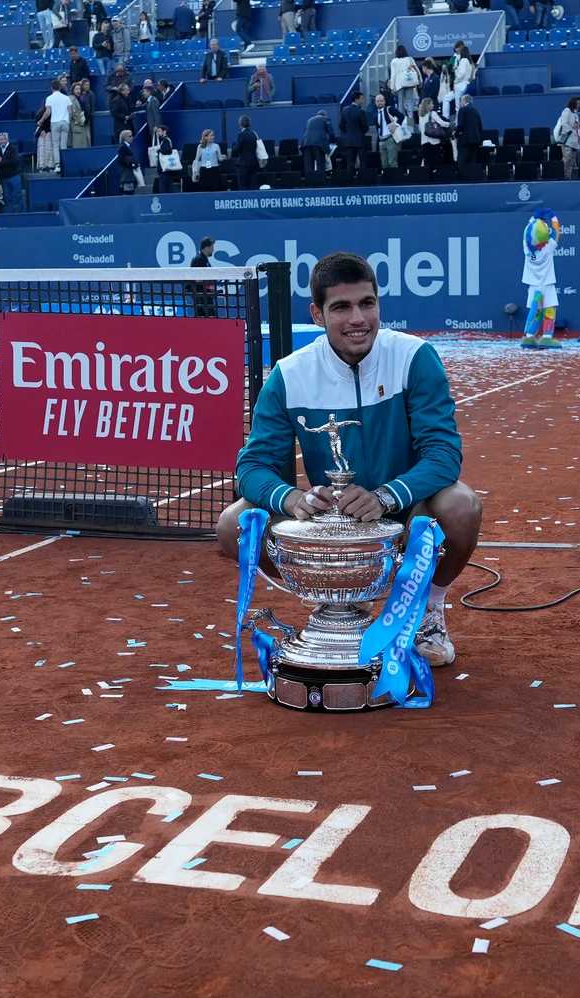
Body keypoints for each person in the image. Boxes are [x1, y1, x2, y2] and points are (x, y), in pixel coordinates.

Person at [218, 251, 478, 667]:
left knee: (460, 505)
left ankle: (427, 610)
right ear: (317, 315)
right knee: (234, 523)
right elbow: (251, 466)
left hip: (408, 510)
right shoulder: (289, 374)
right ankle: (332, 606)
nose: (358, 318)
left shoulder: (414, 357)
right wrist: (292, 500)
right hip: (333, 526)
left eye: (367, 303)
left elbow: (444, 454)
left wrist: (387, 497)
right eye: (341, 307)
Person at [519, 208, 561, 348]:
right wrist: (553, 218)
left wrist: (534, 217)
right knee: (549, 311)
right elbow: (556, 233)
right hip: (547, 284)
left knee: (535, 311)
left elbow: (527, 231)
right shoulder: (548, 249)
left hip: (533, 285)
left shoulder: (526, 248)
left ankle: (529, 337)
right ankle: (547, 337)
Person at [43, 80, 74, 173]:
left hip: (55, 123)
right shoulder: (66, 98)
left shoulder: (49, 98)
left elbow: (48, 112)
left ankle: (58, 165)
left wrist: (41, 121)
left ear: (51, 88)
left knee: (56, 145)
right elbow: (70, 111)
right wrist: (68, 120)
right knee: (63, 144)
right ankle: (65, 163)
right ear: (60, 87)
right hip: (65, 122)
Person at [552, 95, 580, 181]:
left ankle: (568, 178)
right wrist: (570, 132)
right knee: (566, 160)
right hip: (567, 141)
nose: (579, 105)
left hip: (574, 142)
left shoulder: (575, 113)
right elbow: (564, 123)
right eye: (578, 103)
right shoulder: (567, 111)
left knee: (571, 162)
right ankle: (562, 177)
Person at [374, 92, 405, 170]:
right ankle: (386, 181)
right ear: (375, 103)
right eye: (378, 101)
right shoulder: (376, 115)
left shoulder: (389, 109)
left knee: (392, 163)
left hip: (390, 138)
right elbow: (378, 129)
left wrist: (396, 125)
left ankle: (395, 180)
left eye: (381, 101)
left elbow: (401, 116)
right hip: (382, 141)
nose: (379, 103)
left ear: (384, 101)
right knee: (384, 164)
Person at [391, 44, 419, 116]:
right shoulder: (410, 59)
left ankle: (402, 119)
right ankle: (410, 118)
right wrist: (420, 80)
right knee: (410, 101)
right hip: (409, 82)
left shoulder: (394, 61)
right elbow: (416, 70)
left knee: (400, 101)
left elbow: (393, 75)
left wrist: (392, 87)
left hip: (399, 84)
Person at [302, 108, 332, 174]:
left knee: (309, 167)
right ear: (325, 115)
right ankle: (320, 182)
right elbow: (331, 133)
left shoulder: (309, 120)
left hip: (306, 143)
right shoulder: (325, 119)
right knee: (320, 165)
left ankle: (309, 182)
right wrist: (332, 143)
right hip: (318, 144)